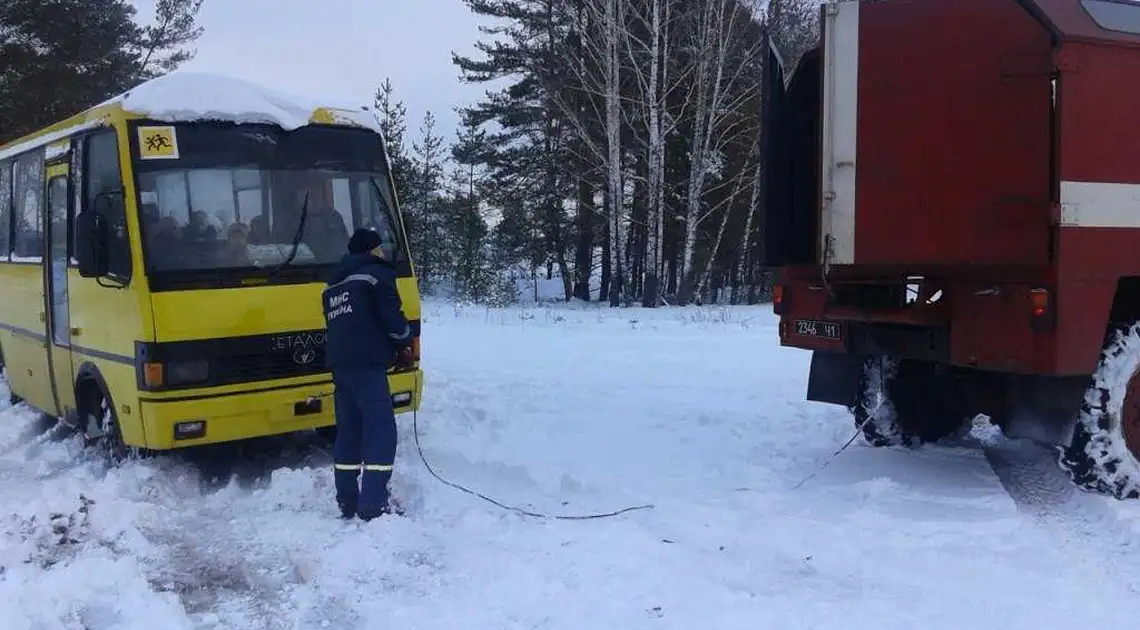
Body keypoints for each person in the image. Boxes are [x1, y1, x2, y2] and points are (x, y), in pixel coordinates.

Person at [321, 228, 414, 520]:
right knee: (379, 432)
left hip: (341, 367)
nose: (383, 252)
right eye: (379, 248)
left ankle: (347, 500)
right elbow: (393, 320)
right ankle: (374, 503)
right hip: (368, 367)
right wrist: (404, 340)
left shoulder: (332, 287)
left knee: (348, 431)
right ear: (371, 250)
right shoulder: (376, 276)